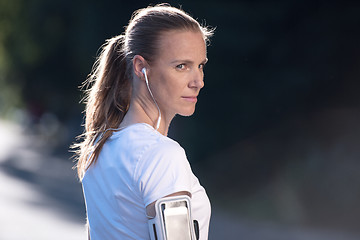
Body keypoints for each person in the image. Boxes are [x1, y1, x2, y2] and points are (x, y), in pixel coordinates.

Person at [73, 4, 214, 240]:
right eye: (181, 66)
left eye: (200, 65)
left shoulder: (99, 146)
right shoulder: (162, 155)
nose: (197, 81)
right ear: (141, 67)